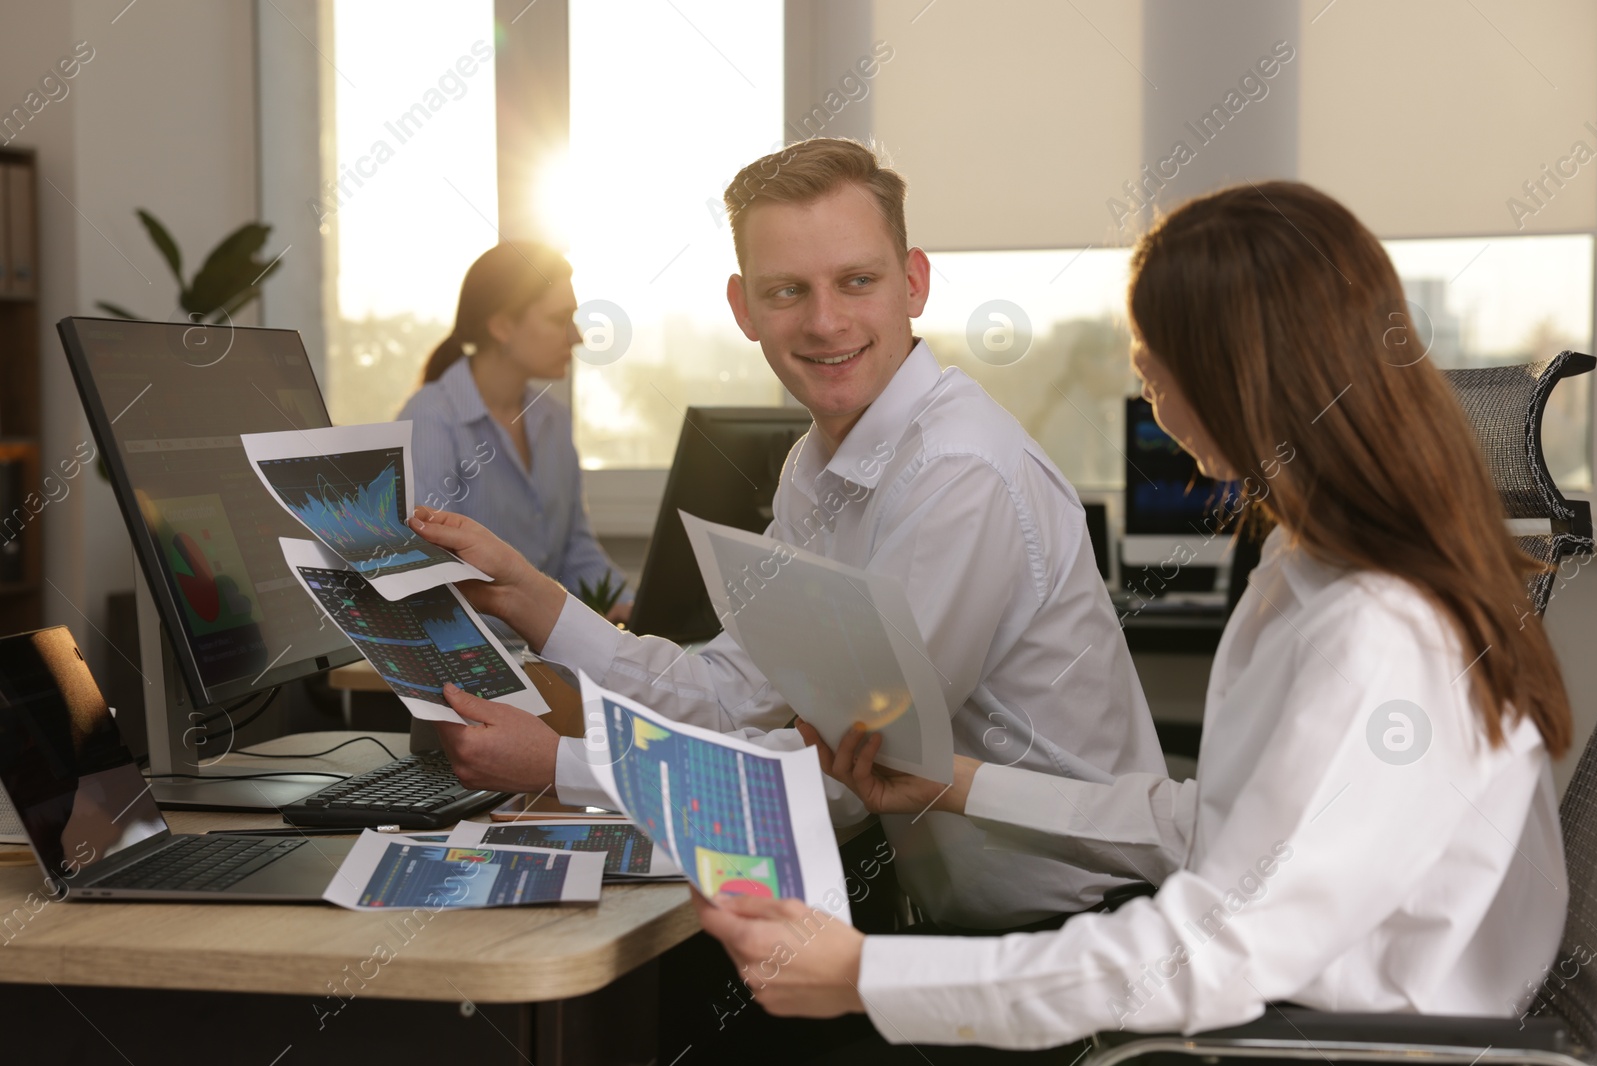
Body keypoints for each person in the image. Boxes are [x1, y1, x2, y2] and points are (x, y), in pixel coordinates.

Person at [692, 180, 1574, 1054]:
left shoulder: (1380, 627)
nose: (1142, 380)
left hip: (1316, 1045)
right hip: (1273, 1017)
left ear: (1250, 368)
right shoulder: (1305, 564)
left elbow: (1219, 945)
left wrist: (865, 976)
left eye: (1156, 353)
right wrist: (959, 783)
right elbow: (1209, 834)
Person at [407, 137, 1166, 932]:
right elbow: (733, 691)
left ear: (914, 283)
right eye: (787, 291)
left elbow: (842, 784)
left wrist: (562, 764)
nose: (824, 320)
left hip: (1082, 953)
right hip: (953, 935)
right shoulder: (815, 465)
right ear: (743, 308)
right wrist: (541, 603)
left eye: (857, 281)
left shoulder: (960, 474)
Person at [397, 241, 631, 625]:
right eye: (559, 319)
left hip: (545, 655)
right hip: (477, 661)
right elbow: (434, 574)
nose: (577, 337)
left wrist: (637, 609)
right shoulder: (431, 418)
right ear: (503, 325)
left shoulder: (552, 419)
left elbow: (576, 550)